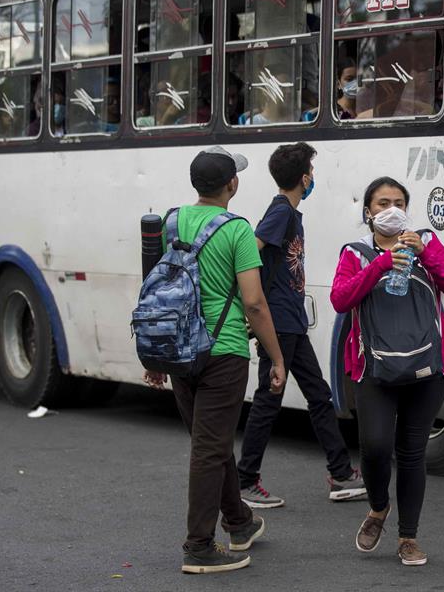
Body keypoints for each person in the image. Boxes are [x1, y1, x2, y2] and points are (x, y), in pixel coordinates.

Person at [143, 146, 287, 574]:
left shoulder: (169, 222)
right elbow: (255, 303)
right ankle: (199, 546)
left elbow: (152, 287)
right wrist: (276, 357)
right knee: (210, 447)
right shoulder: (238, 229)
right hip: (223, 352)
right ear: (232, 184)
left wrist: (154, 354)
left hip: (177, 348)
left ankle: (240, 523)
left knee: (212, 440)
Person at [330, 177, 444, 566]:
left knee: (412, 453)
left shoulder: (425, 244)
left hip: (428, 369)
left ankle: (409, 537)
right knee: (374, 446)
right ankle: (377, 507)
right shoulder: (356, 254)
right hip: (373, 369)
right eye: (381, 202)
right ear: (368, 212)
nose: (390, 208)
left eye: (398, 202)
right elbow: (341, 299)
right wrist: (382, 264)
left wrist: (426, 252)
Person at [237, 142, 366, 508]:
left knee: (318, 395)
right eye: (312, 171)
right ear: (304, 177)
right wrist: (257, 302)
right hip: (278, 320)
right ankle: (245, 481)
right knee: (269, 398)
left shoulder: (289, 213)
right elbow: (253, 245)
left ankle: (341, 474)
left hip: (289, 318)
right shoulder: (281, 212)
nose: (314, 178)